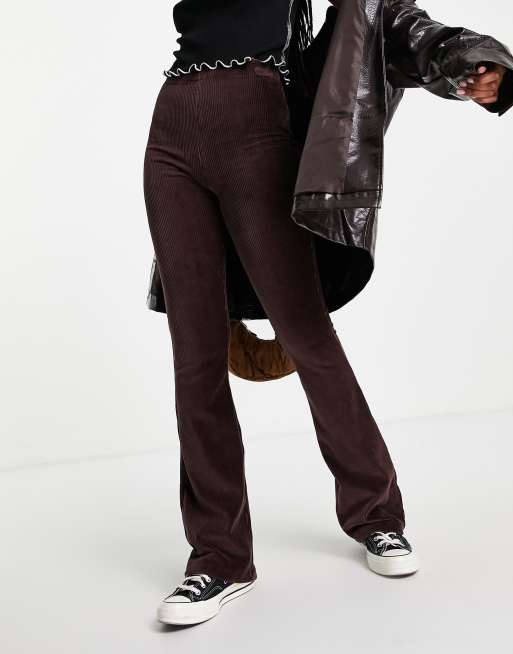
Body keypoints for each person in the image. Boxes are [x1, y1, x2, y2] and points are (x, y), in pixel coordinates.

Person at [143, 0, 508, 627]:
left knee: (307, 335)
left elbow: (380, 14)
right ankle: (219, 558)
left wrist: (461, 58)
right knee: (194, 356)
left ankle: (376, 515)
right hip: (171, 124)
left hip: (257, 123)